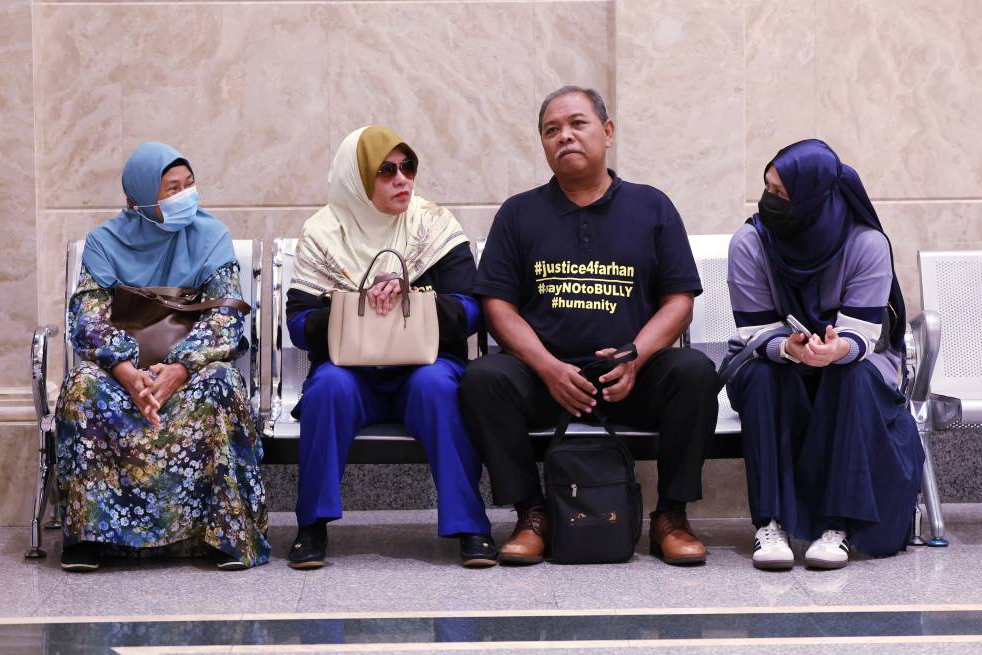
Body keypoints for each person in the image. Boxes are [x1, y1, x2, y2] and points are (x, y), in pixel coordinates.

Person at [459, 86, 719, 566]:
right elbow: (497, 306)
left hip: (631, 377)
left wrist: (635, 356)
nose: (565, 136)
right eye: (551, 130)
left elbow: (679, 301)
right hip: (545, 380)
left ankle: (671, 517)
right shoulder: (518, 213)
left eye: (577, 123)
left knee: (694, 371)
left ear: (608, 131)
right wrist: (548, 368)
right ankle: (532, 515)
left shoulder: (652, 206)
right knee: (484, 378)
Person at [285, 125, 494, 569]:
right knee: (327, 389)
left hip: (424, 365)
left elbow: (472, 309)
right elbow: (299, 326)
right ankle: (312, 526)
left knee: (439, 388)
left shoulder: (433, 225)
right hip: (351, 371)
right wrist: (354, 303)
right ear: (357, 179)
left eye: (408, 167)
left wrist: (413, 295)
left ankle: (471, 526)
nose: (402, 179)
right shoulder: (323, 233)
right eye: (386, 170)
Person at [55, 141, 270, 572]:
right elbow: (88, 320)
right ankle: (90, 537)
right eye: (172, 189)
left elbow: (226, 318)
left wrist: (179, 369)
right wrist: (128, 373)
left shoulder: (211, 236)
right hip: (123, 375)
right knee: (81, 388)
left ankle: (223, 536)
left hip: (190, 373)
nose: (186, 196)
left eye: (189, 184)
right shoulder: (104, 243)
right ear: (137, 202)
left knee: (223, 382)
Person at [725, 139, 924, 571]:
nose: (768, 201)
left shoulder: (867, 244)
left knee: (851, 376)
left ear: (814, 199)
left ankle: (837, 527)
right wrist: (787, 348)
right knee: (761, 377)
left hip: (853, 365)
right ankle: (770, 524)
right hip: (775, 361)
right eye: (767, 188)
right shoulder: (750, 243)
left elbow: (864, 334)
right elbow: (755, 330)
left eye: (781, 193)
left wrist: (836, 349)